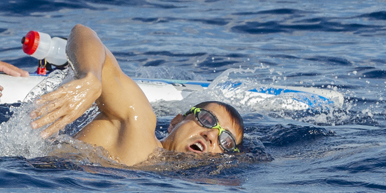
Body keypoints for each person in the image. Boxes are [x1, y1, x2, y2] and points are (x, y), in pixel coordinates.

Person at [29, 24, 244, 166]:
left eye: (225, 141)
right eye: (207, 120)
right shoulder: (136, 125)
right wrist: (91, 77)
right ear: (175, 121)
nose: (210, 135)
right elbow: (83, 33)